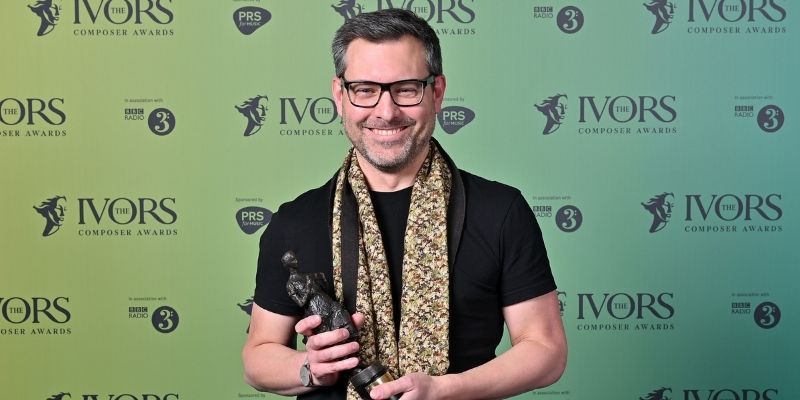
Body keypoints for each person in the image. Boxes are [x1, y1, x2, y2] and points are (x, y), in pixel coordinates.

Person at [242, 9, 566, 400]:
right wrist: (308, 367)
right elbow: (258, 358)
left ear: (437, 92)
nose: (386, 111)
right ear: (339, 95)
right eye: (365, 89)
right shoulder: (295, 222)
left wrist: (447, 390)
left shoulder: (501, 212)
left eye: (407, 88)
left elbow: (546, 350)